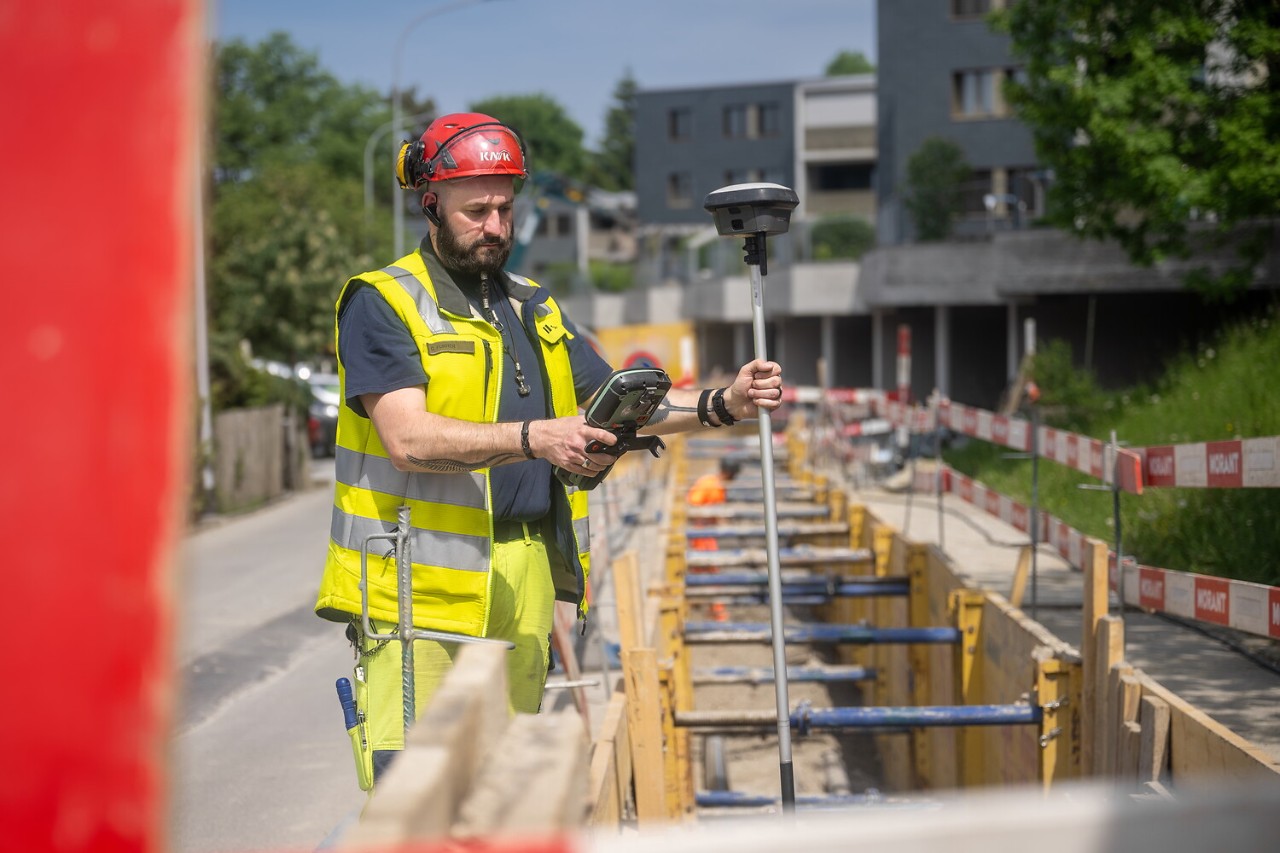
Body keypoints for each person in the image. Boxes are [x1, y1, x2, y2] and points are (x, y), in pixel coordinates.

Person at [313, 112, 783, 785]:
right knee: (416, 797)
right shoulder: (384, 302)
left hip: (526, 573)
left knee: (506, 788)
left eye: (505, 207)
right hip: (415, 588)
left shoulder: (535, 307)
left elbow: (615, 406)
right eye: (477, 210)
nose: (497, 226)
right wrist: (538, 437)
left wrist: (721, 403)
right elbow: (407, 438)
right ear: (429, 204)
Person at [687, 457, 742, 551]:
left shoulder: (719, 486)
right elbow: (693, 504)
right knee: (703, 558)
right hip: (701, 530)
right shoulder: (709, 483)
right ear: (729, 473)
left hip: (709, 530)